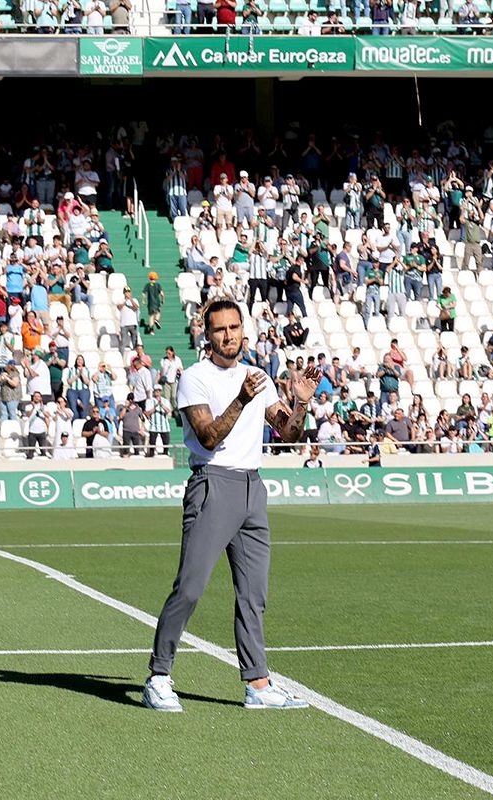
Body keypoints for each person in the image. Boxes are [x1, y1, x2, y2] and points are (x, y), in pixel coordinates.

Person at [144, 299, 318, 713]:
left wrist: (301, 402)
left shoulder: (258, 378)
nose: (229, 335)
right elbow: (208, 436)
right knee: (190, 587)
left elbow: (288, 435)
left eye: (235, 327)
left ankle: (257, 684)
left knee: (253, 594)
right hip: (213, 483)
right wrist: (241, 400)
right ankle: (158, 677)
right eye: (220, 329)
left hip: (252, 489)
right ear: (207, 334)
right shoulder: (195, 378)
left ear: (244, 329)